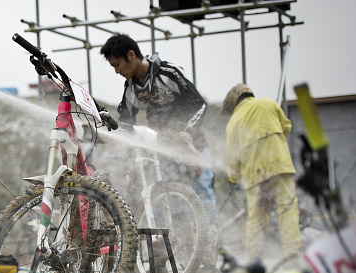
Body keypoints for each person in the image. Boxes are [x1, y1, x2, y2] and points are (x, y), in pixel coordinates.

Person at [99, 33, 217, 220]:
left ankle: (210, 243)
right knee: (164, 201)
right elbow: (125, 121)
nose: (116, 71)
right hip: (163, 151)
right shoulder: (130, 88)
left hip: (193, 147)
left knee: (203, 198)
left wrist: (188, 131)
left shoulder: (167, 74)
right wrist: (120, 142)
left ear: (131, 55)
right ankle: (175, 246)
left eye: (117, 65)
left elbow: (199, 104)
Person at [222, 83, 302, 260]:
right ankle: (292, 254)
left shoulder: (234, 121)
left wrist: (234, 177)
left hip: (254, 174)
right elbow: (286, 127)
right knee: (287, 209)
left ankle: (253, 258)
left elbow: (232, 157)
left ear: (234, 104)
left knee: (257, 218)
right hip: (280, 165)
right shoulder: (270, 104)